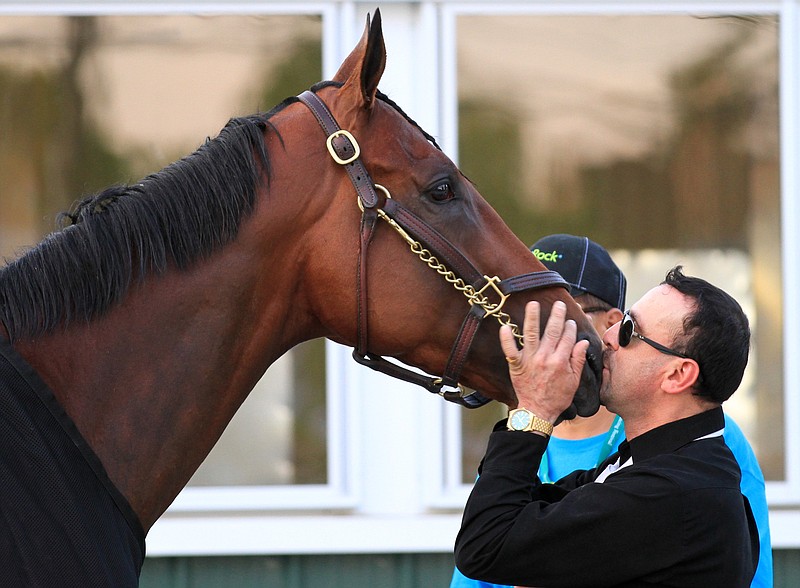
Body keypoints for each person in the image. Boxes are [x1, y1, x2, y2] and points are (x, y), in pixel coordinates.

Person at [451, 235, 772, 587]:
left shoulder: (672, 493)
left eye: (630, 331)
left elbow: (485, 546)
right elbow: (520, 515)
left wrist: (535, 409)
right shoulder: (655, 463)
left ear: (678, 375)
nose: (607, 336)